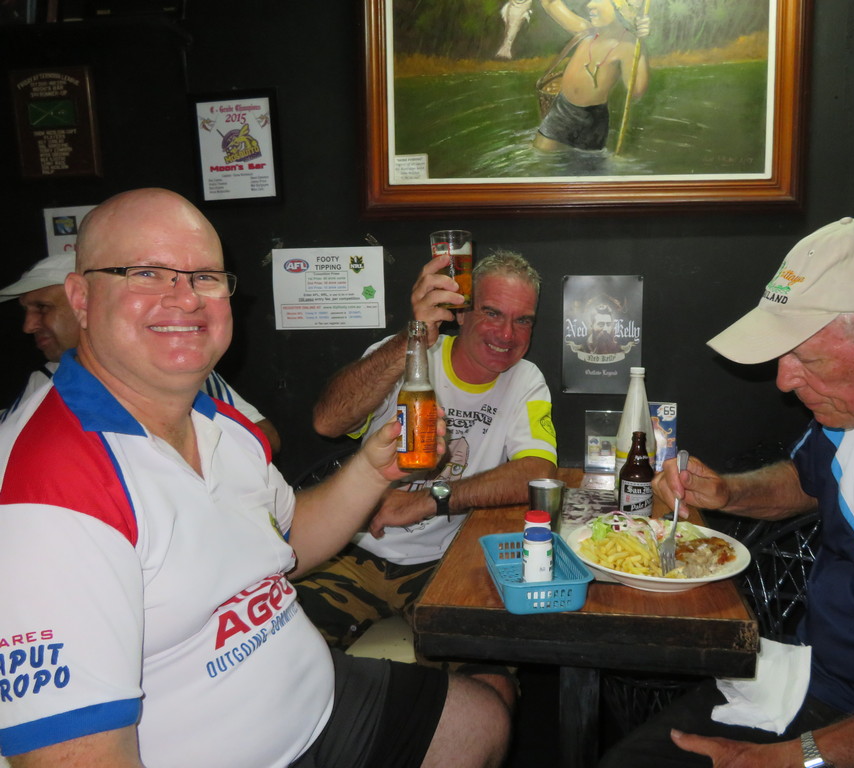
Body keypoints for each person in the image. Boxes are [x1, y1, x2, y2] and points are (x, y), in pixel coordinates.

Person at [0, 188, 510, 768]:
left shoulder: (220, 420)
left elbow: (287, 542)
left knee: (481, 718)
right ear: (82, 298)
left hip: (319, 699)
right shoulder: (46, 490)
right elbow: (73, 757)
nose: (185, 298)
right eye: (146, 273)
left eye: (205, 277)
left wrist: (372, 470)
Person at [599, 217, 854, 768]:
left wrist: (795, 760)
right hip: (809, 678)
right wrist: (728, 493)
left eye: (807, 359)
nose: (783, 380)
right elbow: (809, 481)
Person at [297, 249, 557, 698]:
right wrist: (411, 337)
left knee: (493, 688)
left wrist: (429, 499)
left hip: (445, 564)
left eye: (523, 320)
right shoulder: (404, 353)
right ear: (463, 312)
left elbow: (538, 471)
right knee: (275, 658)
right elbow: (328, 422)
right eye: (492, 313)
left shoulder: (525, 379)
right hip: (353, 549)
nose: (507, 334)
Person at [0, 252, 282, 455]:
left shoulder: (168, 364)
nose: (28, 326)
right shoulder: (45, 380)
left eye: (42, 308)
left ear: (83, 301)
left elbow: (264, 436)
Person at [534, 0, 650, 152]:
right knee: (541, 155)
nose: (589, 5)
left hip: (592, 119)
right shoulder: (585, 30)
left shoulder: (629, 46)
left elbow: (636, 91)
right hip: (562, 111)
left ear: (619, 9)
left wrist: (641, 46)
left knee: (585, 162)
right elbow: (550, 3)